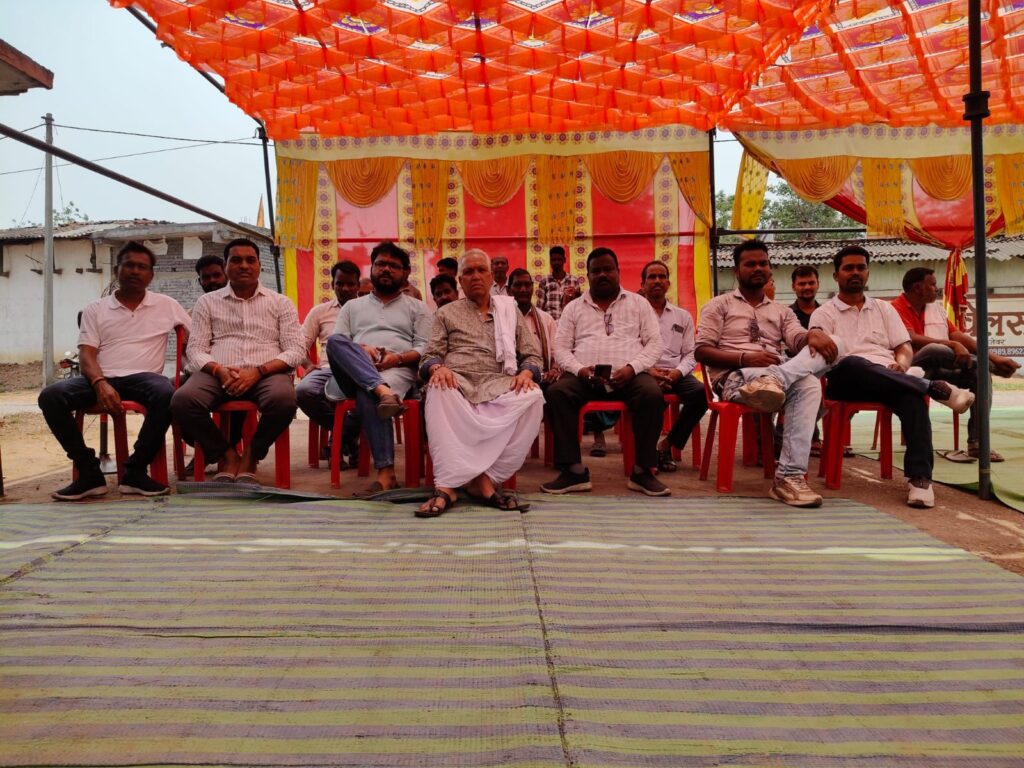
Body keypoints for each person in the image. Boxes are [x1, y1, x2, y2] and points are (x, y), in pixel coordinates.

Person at [808, 246, 975, 509]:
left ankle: (920, 479)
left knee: (912, 398)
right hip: (845, 380)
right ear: (836, 275)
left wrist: (902, 364)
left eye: (861, 267)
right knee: (852, 361)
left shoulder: (884, 309)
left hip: (889, 377)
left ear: (867, 272)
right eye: (848, 268)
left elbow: (903, 346)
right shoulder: (824, 313)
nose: (855, 273)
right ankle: (933, 387)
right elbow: (825, 356)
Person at [694, 240, 842, 508]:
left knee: (835, 347)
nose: (758, 268)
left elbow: (798, 339)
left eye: (763, 263)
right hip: (735, 377)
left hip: (775, 374)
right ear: (736, 271)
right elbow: (702, 351)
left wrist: (813, 334)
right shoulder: (718, 305)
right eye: (750, 264)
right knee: (809, 382)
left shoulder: (781, 311)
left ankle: (788, 478)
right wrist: (746, 358)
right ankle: (790, 475)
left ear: (770, 269)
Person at [38, 241, 191, 500]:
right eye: (128, 265)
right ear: (116, 270)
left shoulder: (167, 305)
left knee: (167, 392)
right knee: (50, 396)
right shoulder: (96, 308)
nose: (135, 271)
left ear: (151, 275)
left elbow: (195, 336)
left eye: (142, 267)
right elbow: (87, 354)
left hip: (145, 378)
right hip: (101, 377)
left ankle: (135, 471)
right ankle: (89, 473)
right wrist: (99, 382)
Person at [417, 249, 544, 517]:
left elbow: (532, 356)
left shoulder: (509, 311)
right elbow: (429, 356)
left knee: (533, 396)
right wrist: (438, 368)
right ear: (460, 281)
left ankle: (484, 479)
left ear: (491, 277)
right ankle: (447, 486)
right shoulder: (446, 313)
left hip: (498, 383)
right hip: (457, 381)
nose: (475, 276)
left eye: (481, 270)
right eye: (468, 272)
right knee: (438, 387)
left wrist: (526, 374)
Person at [170, 238, 305, 484]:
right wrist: (218, 370)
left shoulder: (280, 302)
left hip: (267, 374)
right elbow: (196, 349)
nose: (244, 265)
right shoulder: (207, 302)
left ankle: (252, 455)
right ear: (226, 265)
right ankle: (227, 455)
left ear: (259, 265)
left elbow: (296, 350)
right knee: (183, 400)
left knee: (284, 400)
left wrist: (258, 372)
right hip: (218, 373)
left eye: (250, 260)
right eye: (236, 260)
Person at [542, 247, 669, 497]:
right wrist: (579, 370)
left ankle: (643, 471)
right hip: (584, 376)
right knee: (557, 393)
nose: (602, 274)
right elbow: (561, 348)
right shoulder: (574, 308)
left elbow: (655, 344)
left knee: (652, 395)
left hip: (630, 375)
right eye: (596, 271)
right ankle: (573, 471)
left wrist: (632, 368)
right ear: (588, 276)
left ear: (618, 272)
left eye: (607, 269)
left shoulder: (639, 303)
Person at [324, 241, 431, 496]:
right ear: (371, 268)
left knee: (368, 393)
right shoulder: (352, 306)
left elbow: (425, 348)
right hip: (353, 370)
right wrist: (362, 349)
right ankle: (382, 390)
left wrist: (396, 358)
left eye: (394, 266)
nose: (386, 269)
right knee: (335, 341)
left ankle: (386, 475)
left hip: (398, 369)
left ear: (406, 273)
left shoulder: (418, 308)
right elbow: (339, 343)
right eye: (381, 264)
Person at [892, 266, 1019, 462]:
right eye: (932, 285)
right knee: (935, 349)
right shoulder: (894, 308)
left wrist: (994, 357)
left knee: (980, 373)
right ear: (917, 287)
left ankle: (977, 444)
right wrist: (953, 345)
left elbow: (958, 335)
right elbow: (913, 338)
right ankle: (991, 367)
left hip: (939, 369)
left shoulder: (936, 310)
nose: (937, 289)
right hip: (911, 369)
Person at [639, 260, 708, 472]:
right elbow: (627, 351)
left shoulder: (682, 316)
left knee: (701, 394)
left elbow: (690, 353)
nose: (657, 281)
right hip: (645, 372)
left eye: (662, 277)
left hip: (675, 373)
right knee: (648, 396)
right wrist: (649, 371)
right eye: (652, 277)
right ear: (643, 284)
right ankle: (646, 454)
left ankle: (667, 445)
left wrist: (677, 373)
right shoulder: (635, 315)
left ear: (669, 283)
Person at [295, 261, 361, 455]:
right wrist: (308, 364)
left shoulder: (369, 311)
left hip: (360, 372)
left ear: (358, 285)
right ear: (332, 284)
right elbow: (298, 344)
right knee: (303, 391)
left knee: (370, 396)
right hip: (327, 369)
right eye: (340, 283)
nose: (345, 288)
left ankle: (338, 440)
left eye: (350, 284)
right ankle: (347, 437)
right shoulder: (319, 312)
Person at [508, 268, 560, 385]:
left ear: (533, 288)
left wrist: (554, 370)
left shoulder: (546, 319)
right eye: (518, 285)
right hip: (509, 379)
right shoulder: (501, 320)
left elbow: (556, 352)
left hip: (543, 379)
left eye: (527, 285)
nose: (523, 289)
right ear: (509, 290)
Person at [536, 245, 583, 320]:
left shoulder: (574, 281)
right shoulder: (544, 281)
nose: (556, 262)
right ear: (550, 261)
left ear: (564, 260)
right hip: (550, 322)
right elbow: (539, 308)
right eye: (554, 260)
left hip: (569, 322)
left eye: (559, 259)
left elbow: (579, 306)